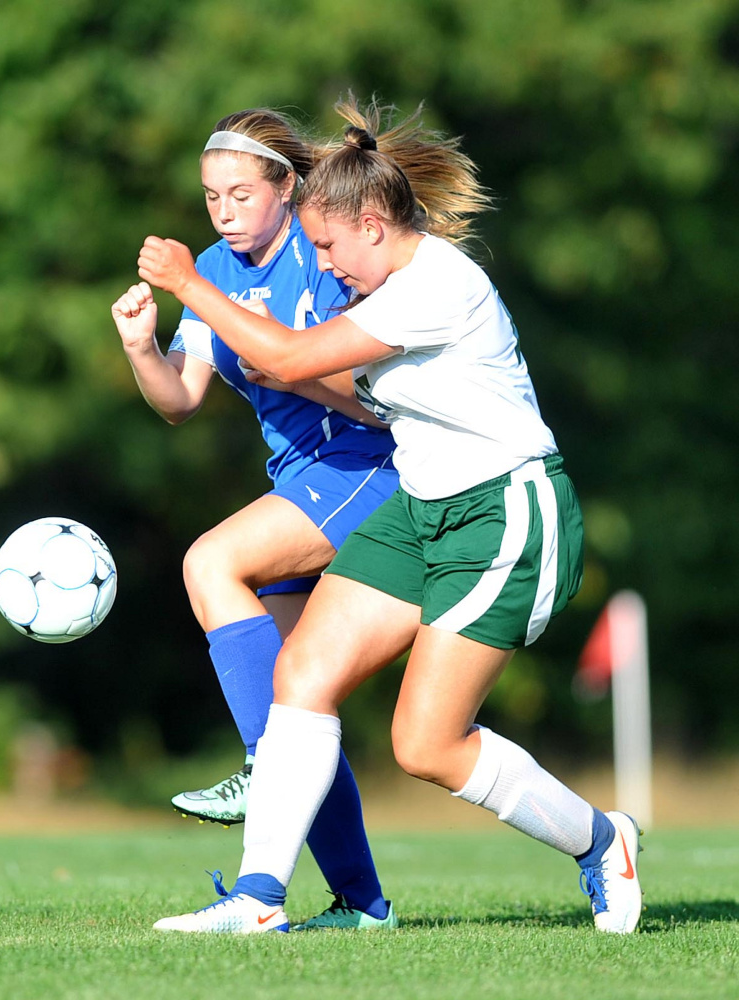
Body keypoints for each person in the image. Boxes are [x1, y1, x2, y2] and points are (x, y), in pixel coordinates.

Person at [134, 95, 644, 936]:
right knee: (301, 677)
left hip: (504, 514)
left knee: (424, 745)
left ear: (373, 225)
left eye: (330, 246)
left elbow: (289, 356)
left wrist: (190, 285)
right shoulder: (378, 285)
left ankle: (599, 841)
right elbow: (297, 371)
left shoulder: (435, 284)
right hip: (421, 508)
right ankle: (258, 902)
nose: (324, 266)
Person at [111, 108, 401, 931]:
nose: (225, 211)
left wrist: (224, 314)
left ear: (287, 187)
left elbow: (368, 399)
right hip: (302, 476)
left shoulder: (326, 252)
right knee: (298, 700)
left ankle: (257, 767)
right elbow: (180, 399)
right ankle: (362, 904)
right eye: (211, 198)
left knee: (209, 563)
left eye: (242, 192)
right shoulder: (212, 267)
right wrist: (141, 347)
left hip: (368, 468)